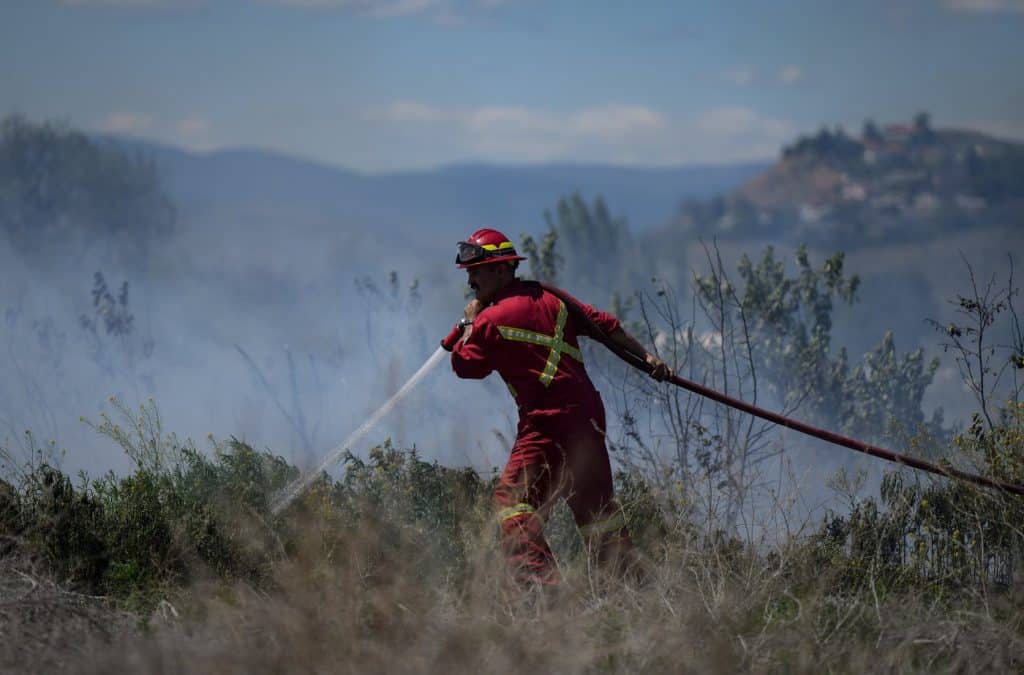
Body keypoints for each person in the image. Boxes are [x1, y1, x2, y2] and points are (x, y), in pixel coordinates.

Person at [441, 227, 671, 586]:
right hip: (588, 420)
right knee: (596, 513)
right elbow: (607, 326)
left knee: (513, 505)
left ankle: (545, 595)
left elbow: (464, 365)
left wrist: (470, 320)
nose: (471, 280)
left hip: (546, 425)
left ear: (502, 270)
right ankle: (631, 593)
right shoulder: (553, 300)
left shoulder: (488, 319)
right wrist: (648, 357)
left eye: (477, 270)